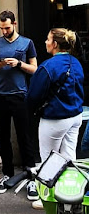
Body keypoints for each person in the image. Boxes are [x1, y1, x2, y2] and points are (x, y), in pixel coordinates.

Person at [26, 28, 84, 210]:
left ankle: (46, 198)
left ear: (55, 44)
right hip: (75, 116)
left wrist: (32, 110)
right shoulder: (76, 62)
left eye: (48, 39)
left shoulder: (48, 66)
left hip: (55, 118)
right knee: (69, 157)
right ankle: (70, 197)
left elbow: (33, 95)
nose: (45, 42)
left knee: (48, 160)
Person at [0, 10, 38, 201]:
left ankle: (30, 176)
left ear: (14, 24)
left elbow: (35, 69)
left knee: (25, 136)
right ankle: (7, 174)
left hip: (19, 95)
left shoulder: (27, 43)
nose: (4, 31)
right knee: (3, 137)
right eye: (2, 28)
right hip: (0, 95)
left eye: (7, 28)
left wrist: (18, 64)